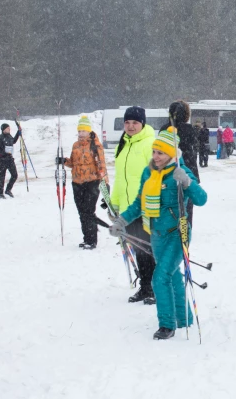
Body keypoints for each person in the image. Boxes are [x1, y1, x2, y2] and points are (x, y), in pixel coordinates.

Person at [109, 126, 207, 340]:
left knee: (160, 277)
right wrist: (122, 221)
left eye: (160, 153)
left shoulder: (181, 171)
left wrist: (188, 182)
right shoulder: (148, 172)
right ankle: (184, 318)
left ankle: (166, 324)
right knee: (173, 276)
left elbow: (201, 199)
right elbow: (138, 203)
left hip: (176, 234)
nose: (155, 156)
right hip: (155, 234)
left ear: (171, 154)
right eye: (154, 151)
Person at [110, 106, 157, 304]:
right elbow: (121, 178)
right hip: (129, 209)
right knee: (138, 249)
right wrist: (114, 203)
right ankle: (145, 287)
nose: (130, 126)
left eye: (135, 123)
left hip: (146, 207)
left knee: (151, 250)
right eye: (127, 122)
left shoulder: (150, 144)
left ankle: (156, 288)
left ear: (142, 124)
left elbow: (157, 176)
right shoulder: (123, 145)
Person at [61, 116, 108, 249]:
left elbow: (102, 166)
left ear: (89, 131)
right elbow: (73, 163)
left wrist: (105, 185)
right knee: (82, 212)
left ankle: (92, 240)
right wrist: (64, 161)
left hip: (92, 183)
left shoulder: (96, 146)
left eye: (84, 131)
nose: (81, 133)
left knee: (88, 211)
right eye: (79, 131)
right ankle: (86, 238)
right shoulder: (75, 145)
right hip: (77, 183)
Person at [160, 101, 201, 226]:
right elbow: (193, 153)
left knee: (169, 203)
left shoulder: (164, 129)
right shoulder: (190, 130)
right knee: (187, 205)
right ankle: (186, 229)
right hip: (187, 171)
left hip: (167, 172)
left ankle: (171, 227)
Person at [0, 123, 21, 199]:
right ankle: (0, 193)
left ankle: (8, 190)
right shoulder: (0, 138)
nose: (9, 129)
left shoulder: (9, 136)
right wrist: (3, 153)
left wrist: (18, 133)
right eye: (8, 128)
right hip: (2, 160)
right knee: (2, 176)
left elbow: (13, 141)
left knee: (14, 175)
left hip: (10, 159)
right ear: (4, 129)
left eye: (9, 128)